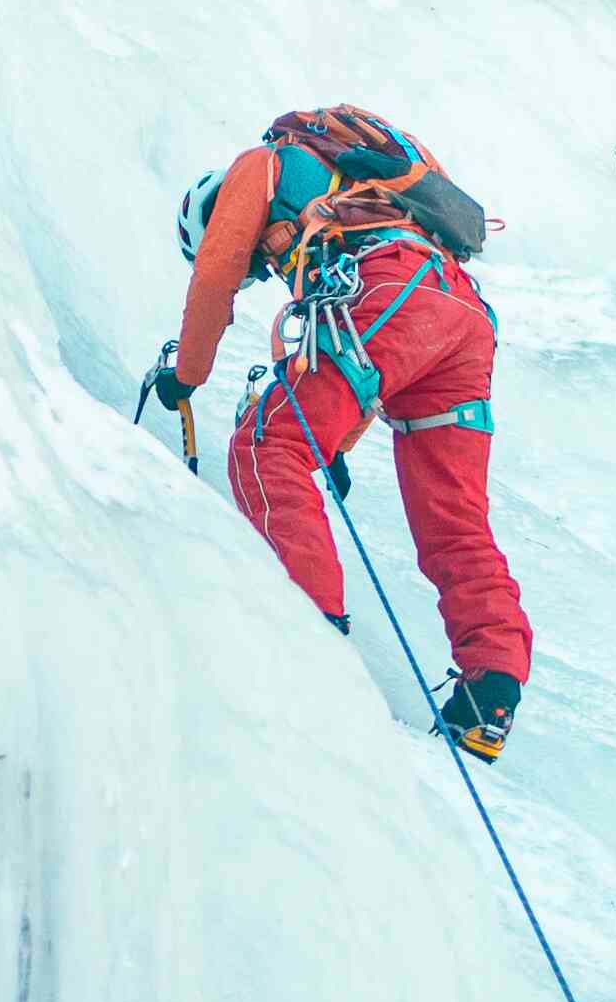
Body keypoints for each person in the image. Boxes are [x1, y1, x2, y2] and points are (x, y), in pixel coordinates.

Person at [147, 115, 532, 755]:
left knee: (266, 445)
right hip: (460, 316)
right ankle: (490, 688)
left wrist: (185, 376)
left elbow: (214, 275)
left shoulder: (258, 166)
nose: (261, 268)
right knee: (454, 521)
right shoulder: (348, 191)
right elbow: (358, 360)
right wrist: (339, 443)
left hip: (397, 287)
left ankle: (310, 636)